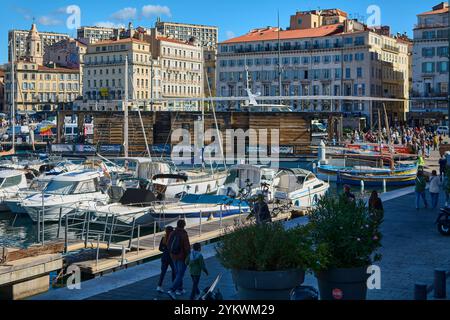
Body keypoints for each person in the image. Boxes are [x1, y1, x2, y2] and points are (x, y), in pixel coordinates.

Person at [167, 219, 191, 299]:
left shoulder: (172, 233)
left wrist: (171, 253)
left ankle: (180, 289)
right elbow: (187, 247)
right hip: (181, 257)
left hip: (173, 256)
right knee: (180, 274)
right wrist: (189, 256)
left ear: (177, 225)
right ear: (184, 225)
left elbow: (168, 244)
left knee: (178, 273)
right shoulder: (184, 234)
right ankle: (172, 290)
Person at [156, 226, 176, 293]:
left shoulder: (163, 238)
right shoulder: (173, 238)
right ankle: (173, 286)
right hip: (171, 258)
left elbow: (160, 248)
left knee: (163, 272)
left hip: (164, 257)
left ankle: (159, 286)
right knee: (174, 271)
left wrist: (165, 250)